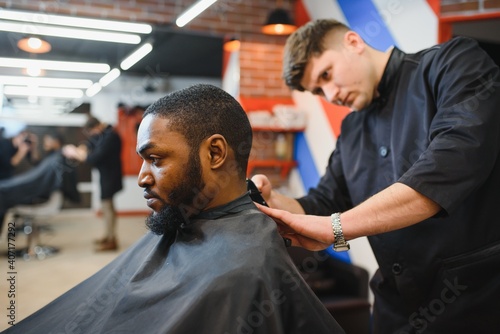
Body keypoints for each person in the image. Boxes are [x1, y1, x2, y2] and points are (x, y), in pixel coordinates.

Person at [3, 84, 345, 334]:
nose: (141, 178)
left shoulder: (245, 267)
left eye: (155, 160)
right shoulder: (185, 221)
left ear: (214, 154)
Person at [252, 19, 500, 334]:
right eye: (318, 90)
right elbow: (323, 200)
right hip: (394, 311)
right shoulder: (352, 130)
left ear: (354, 42)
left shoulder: (451, 63)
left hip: (475, 300)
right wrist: (276, 201)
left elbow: (450, 165)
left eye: (326, 74)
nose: (331, 94)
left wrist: (337, 228)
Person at [0, 132, 79, 235]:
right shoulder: (4, 145)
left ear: (56, 142)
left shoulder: (56, 158)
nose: (45, 143)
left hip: (25, 189)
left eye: (47, 141)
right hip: (12, 182)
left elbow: (35, 164)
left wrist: (31, 148)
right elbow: (36, 166)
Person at [63, 116, 123, 251]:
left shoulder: (110, 136)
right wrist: (83, 147)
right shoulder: (103, 134)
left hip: (111, 177)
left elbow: (94, 157)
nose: (91, 135)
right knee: (108, 207)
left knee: (107, 207)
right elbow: (91, 142)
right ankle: (108, 235)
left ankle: (111, 239)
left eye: (91, 131)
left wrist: (75, 153)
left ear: (96, 127)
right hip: (106, 175)